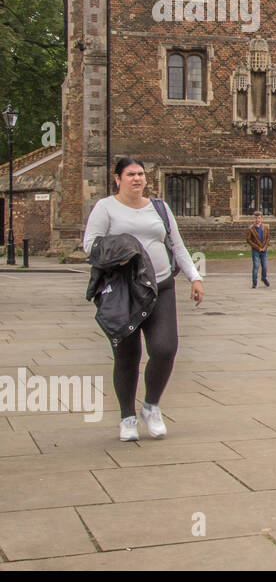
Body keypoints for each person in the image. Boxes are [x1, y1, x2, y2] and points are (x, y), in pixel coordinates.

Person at [82, 157, 204, 442]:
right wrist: (124, 250)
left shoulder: (159, 208)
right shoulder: (105, 208)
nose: (136, 179)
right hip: (125, 291)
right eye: (130, 174)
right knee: (127, 355)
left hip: (161, 286)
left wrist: (194, 277)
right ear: (117, 179)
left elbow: (177, 244)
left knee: (165, 349)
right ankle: (127, 417)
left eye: (140, 174)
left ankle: (151, 406)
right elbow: (91, 244)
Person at [247, 211, 271, 288]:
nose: (257, 220)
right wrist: (257, 247)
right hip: (256, 250)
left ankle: (264, 278)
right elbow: (249, 240)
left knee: (265, 266)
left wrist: (265, 247)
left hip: (264, 250)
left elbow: (268, 238)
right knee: (256, 266)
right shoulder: (251, 229)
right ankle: (254, 282)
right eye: (256, 218)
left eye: (259, 218)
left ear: (261, 219)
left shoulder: (265, 227)